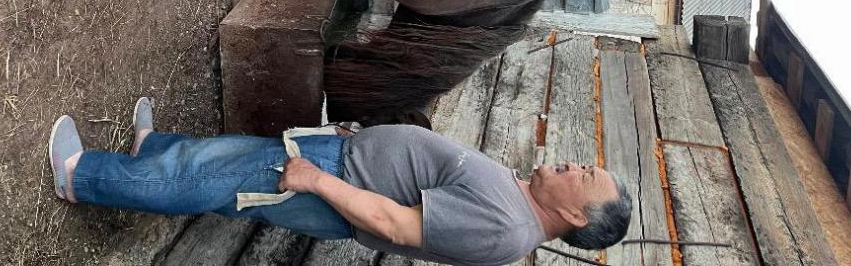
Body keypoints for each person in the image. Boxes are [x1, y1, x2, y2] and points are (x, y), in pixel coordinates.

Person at [49, 98, 631, 266]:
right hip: (340, 160)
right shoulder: (517, 203)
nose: (577, 165)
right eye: (586, 163)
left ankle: (82, 177)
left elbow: (394, 224)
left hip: (330, 182)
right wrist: (355, 137)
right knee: (222, 163)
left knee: (210, 180)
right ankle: (151, 150)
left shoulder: (506, 228)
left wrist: (318, 181)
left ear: (577, 217)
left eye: (586, 177)